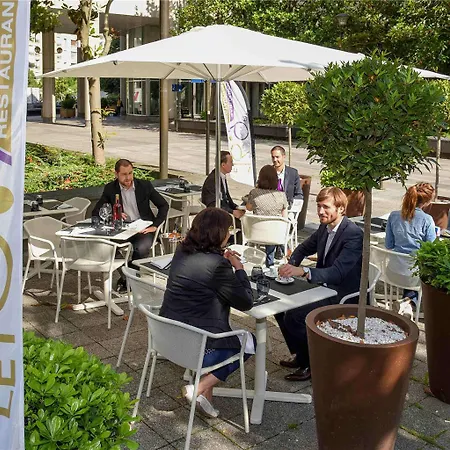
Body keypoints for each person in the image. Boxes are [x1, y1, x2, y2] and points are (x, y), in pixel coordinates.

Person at [159, 208, 255, 417]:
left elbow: (203, 272)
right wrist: (239, 269)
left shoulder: (182, 251)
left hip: (168, 338)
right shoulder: (218, 266)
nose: (229, 234)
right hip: (196, 347)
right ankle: (198, 388)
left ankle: (205, 398)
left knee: (211, 321)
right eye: (228, 230)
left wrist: (221, 255)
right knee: (250, 341)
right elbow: (246, 302)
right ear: (218, 233)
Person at [275, 187, 363, 382]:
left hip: (341, 293)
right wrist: (291, 265)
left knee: (296, 316)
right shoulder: (325, 227)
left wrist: (304, 271)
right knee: (279, 308)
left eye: (326, 207)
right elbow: (304, 247)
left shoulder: (354, 234)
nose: (320, 211)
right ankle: (301, 355)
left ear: (341, 209)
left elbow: (338, 272)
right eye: (318, 206)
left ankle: (310, 365)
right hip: (322, 287)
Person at [92, 159, 169, 289]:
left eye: (130, 173)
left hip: (144, 228)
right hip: (122, 228)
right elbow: (96, 212)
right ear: (116, 174)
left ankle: (129, 279)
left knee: (141, 248)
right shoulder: (110, 189)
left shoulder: (144, 186)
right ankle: (127, 277)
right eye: (124, 174)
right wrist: (113, 215)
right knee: (106, 246)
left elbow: (163, 205)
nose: (128, 178)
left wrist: (155, 225)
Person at [385, 182, 436, 309]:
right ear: (427, 202)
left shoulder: (393, 216)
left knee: (409, 270)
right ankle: (408, 303)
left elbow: (388, 244)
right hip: (413, 275)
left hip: (393, 271)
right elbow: (430, 250)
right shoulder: (427, 220)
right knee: (422, 271)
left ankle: (407, 303)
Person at [246, 165, 288, 266]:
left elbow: (248, 208)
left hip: (256, 234)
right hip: (274, 236)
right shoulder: (281, 195)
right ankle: (271, 262)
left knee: (266, 230)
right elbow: (285, 218)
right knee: (273, 230)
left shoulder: (254, 193)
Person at [201, 151, 245, 220]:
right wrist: (232, 212)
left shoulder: (221, 177)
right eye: (230, 162)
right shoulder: (213, 180)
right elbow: (213, 205)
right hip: (216, 216)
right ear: (223, 165)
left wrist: (237, 207)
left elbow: (227, 198)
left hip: (223, 211)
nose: (232, 165)